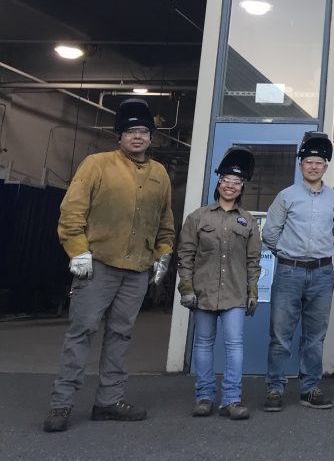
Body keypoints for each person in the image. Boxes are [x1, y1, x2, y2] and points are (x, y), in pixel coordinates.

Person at [43, 98, 174, 433]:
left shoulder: (160, 174)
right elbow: (72, 211)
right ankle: (62, 403)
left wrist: (162, 254)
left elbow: (165, 222)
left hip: (136, 271)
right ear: (119, 135)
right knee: (82, 331)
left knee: (121, 334)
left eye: (143, 131)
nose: (137, 137)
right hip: (97, 265)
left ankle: (108, 401)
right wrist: (77, 251)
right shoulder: (96, 165)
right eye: (130, 131)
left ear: (151, 136)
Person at [262, 131, 334, 412]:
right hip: (289, 273)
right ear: (301, 165)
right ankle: (275, 389)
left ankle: (310, 388)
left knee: (315, 337)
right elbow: (270, 234)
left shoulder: (333, 199)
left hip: (322, 275)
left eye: (319, 162)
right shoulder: (286, 196)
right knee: (281, 334)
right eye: (308, 161)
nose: (313, 166)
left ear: (325, 167)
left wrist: (322, 254)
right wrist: (289, 256)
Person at [176, 146, 262, 420]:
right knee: (202, 344)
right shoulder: (198, 218)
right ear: (219, 183)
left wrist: (252, 291)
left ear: (241, 188)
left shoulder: (247, 221)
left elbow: (253, 260)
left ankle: (232, 399)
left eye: (236, 183)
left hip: (235, 294)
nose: (230, 186)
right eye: (226, 181)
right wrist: (186, 287)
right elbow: (185, 254)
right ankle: (204, 397)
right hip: (203, 292)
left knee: (234, 346)